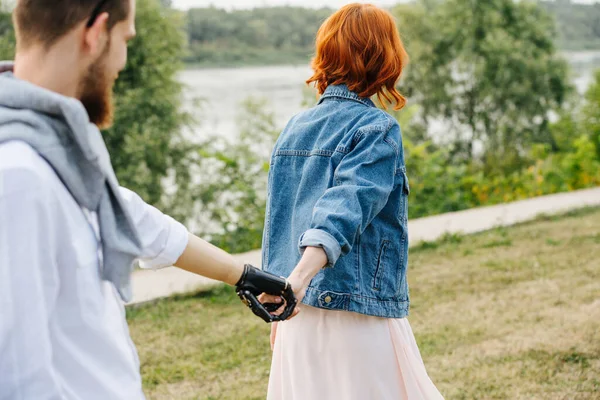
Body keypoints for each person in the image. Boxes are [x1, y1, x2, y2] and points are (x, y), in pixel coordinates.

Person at [0, 1, 296, 399]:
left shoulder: (56, 148)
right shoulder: (18, 176)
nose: (122, 61)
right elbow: (15, 375)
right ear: (96, 31)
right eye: (125, 40)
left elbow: (139, 222)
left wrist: (242, 274)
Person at [260, 4, 445, 399]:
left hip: (297, 310)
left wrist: (285, 289)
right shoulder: (377, 128)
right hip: (354, 312)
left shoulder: (294, 127)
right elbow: (343, 210)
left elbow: (281, 218)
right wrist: (296, 280)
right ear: (385, 59)